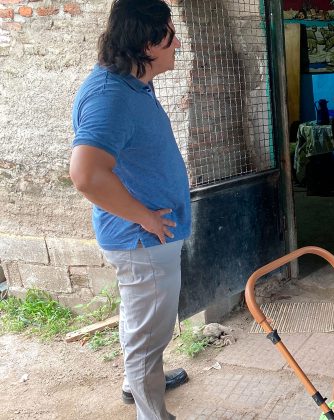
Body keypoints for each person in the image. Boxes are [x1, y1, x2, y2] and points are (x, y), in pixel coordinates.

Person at [68, 1, 189, 418]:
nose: (178, 43)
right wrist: (146, 217)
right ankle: (151, 411)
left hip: (146, 239)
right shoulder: (111, 96)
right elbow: (86, 174)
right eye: (171, 35)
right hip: (143, 240)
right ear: (148, 43)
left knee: (142, 323)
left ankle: (136, 381)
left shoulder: (134, 81)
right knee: (145, 337)